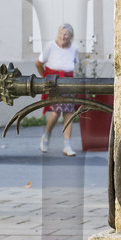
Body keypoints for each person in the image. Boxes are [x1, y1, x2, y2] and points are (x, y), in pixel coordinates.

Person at [37, 22, 80, 156]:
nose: (63, 36)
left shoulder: (74, 48)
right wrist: (45, 78)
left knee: (69, 114)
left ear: (71, 36)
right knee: (55, 113)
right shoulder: (50, 46)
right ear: (58, 34)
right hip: (54, 82)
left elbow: (74, 64)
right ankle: (46, 136)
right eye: (61, 33)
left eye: (66, 34)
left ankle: (67, 146)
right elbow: (38, 63)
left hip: (68, 82)